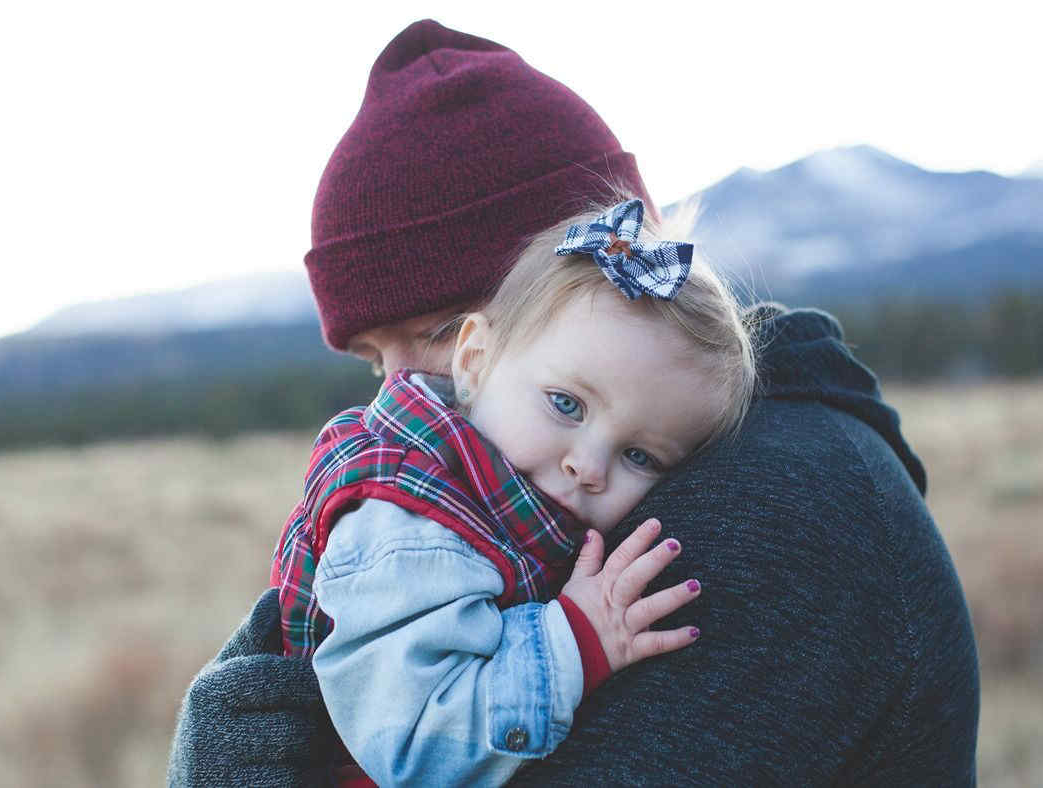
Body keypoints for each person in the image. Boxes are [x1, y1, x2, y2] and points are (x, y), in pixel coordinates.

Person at [169, 18, 979, 787]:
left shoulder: (768, 515)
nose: (404, 392)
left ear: (595, 280)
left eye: (444, 330)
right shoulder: (576, 485)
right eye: (374, 360)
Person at [275, 197, 755, 785]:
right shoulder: (412, 525)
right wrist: (575, 640)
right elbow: (418, 748)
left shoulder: (504, 498)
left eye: (640, 455)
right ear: (474, 361)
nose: (588, 466)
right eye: (566, 404)